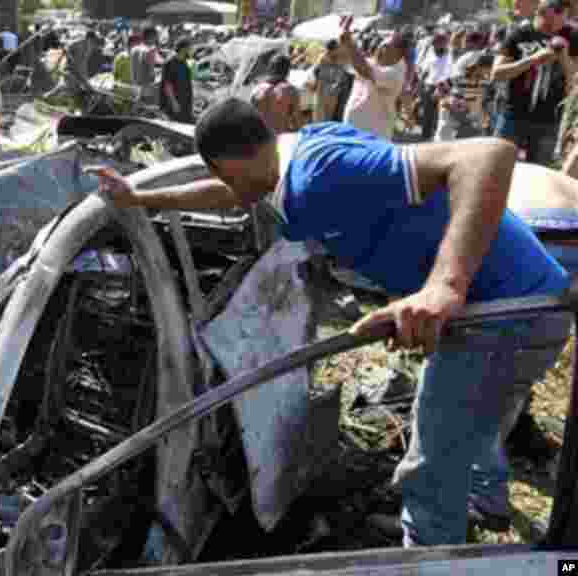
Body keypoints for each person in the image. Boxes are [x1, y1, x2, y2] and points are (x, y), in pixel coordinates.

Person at [88, 97, 572, 548]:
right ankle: (484, 502)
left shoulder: (321, 174)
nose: (233, 191)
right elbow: (229, 193)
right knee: (473, 410)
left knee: (431, 459)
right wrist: (142, 199)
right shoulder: (291, 158)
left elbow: (487, 154)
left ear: (228, 163)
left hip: (504, 313)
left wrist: (446, 285)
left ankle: (429, 551)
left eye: (225, 176)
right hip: (512, 301)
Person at [491, 0, 578, 166]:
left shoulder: (573, 37)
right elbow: (496, 74)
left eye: (565, 12)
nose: (561, 18)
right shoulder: (519, 34)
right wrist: (533, 60)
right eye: (557, 10)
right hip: (513, 116)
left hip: (548, 121)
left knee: (538, 176)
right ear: (543, 10)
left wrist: (564, 58)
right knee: (499, 168)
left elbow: (573, 82)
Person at [341, 18, 408, 140]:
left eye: (386, 47)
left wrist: (349, 42)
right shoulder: (373, 63)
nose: (380, 49)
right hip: (353, 128)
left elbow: (364, 70)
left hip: (373, 134)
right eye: (381, 45)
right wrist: (344, 36)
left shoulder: (395, 73)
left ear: (398, 54)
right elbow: (351, 61)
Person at [415, 30, 453, 140]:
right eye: (436, 41)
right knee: (428, 113)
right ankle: (426, 136)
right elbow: (424, 69)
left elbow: (449, 71)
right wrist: (420, 83)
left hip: (444, 86)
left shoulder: (449, 54)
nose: (439, 44)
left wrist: (444, 86)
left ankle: (438, 137)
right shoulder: (429, 52)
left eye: (442, 41)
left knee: (440, 113)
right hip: (429, 86)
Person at [250, 53, 301, 132]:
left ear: (270, 69)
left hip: (261, 139)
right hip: (281, 138)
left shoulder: (256, 89)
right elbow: (296, 122)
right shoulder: (291, 91)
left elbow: (251, 120)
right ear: (287, 71)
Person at [305, 40, 349, 123]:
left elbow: (341, 76)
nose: (339, 51)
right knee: (320, 119)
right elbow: (316, 74)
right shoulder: (323, 59)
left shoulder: (338, 60)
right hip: (322, 93)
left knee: (328, 118)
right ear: (333, 49)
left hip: (332, 93)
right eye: (337, 48)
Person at [160, 37, 194, 123]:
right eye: (190, 48)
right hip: (176, 103)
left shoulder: (184, 62)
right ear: (184, 48)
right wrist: (174, 103)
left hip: (185, 102)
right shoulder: (170, 63)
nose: (191, 50)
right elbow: (167, 85)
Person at [130, 26, 162, 105]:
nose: (156, 39)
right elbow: (151, 73)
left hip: (134, 86)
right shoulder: (150, 50)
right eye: (156, 37)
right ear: (152, 37)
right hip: (147, 90)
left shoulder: (134, 49)